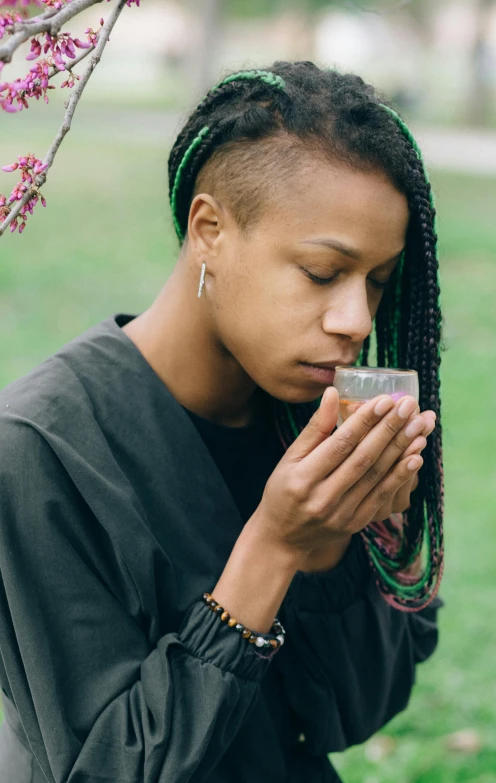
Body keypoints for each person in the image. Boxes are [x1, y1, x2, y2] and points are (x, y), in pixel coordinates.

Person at [0, 60, 444, 783]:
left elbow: (358, 712)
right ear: (210, 229)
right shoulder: (37, 450)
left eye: (379, 282)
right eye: (324, 273)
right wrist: (273, 545)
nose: (356, 320)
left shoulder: (319, 422)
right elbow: (103, 767)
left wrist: (332, 537)